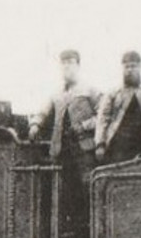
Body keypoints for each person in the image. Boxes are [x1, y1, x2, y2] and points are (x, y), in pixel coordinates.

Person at [35, 50, 101, 185]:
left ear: (78, 65)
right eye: (63, 63)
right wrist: (35, 124)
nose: (66, 66)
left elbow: (103, 117)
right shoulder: (56, 93)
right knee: (64, 189)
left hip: (84, 149)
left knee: (86, 185)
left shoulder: (90, 90)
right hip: (61, 150)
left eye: (70, 62)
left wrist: (84, 126)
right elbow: (43, 112)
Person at [95, 51, 141, 164]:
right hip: (117, 146)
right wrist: (100, 144)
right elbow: (103, 119)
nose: (129, 70)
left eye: (133, 66)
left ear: (140, 67)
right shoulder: (113, 93)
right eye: (126, 67)